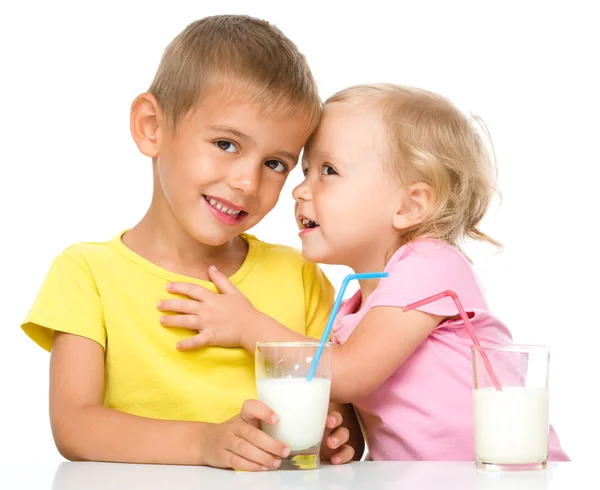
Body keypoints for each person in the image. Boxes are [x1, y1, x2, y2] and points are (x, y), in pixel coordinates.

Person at [21, 15, 361, 471]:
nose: (246, 181)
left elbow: (347, 414)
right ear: (151, 127)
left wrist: (334, 434)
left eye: (276, 163)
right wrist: (206, 444)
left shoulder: (299, 277)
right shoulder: (87, 274)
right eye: (226, 143)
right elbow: (75, 426)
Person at [161, 83, 570, 461]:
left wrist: (245, 324)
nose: (300, 191)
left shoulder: (431, 265)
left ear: (409, 206)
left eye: (329, 171)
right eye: (305, 171)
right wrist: (335, 434)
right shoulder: (354, 305)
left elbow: (349, 374)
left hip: (516, 473)